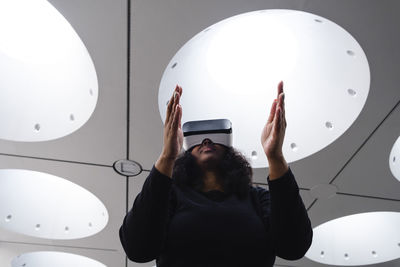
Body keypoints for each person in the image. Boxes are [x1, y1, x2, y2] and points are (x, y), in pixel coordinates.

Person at [119, 81, 313, 266]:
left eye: (214, 137)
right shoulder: (171, 197)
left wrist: (276, 156)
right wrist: (167, 156)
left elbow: (294, 247)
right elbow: (137, 249)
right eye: (200, 139)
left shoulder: (257, 199)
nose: (206, 141)